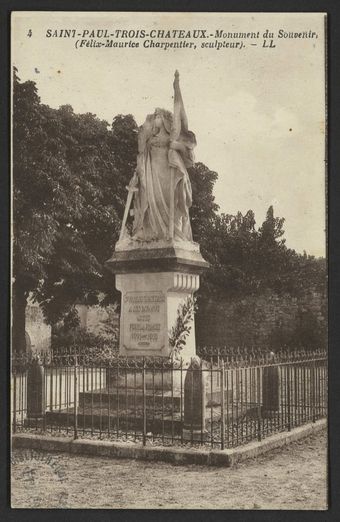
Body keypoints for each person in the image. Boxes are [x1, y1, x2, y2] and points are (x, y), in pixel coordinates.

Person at [130, 71, 196, 242]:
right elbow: (142, 154)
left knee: (168, 201)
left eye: (158, 116)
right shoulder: (150, 137)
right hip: (152, 172)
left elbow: (189, 153)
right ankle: (149, 232)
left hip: (168, 171)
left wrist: (178, 146)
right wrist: (138, 171)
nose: (155, 119)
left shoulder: (172, 134)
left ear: (164, 119)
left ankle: (172, 232)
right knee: (151, 203)